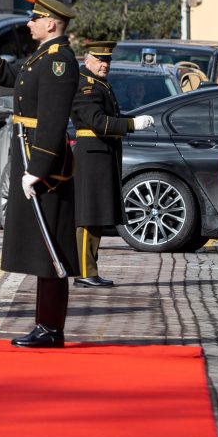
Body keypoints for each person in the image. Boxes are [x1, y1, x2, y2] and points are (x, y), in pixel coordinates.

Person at [0, 0, 79, 348]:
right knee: (40, 248)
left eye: (35, 19)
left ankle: (50, 329)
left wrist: (40, 168)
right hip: (29, 156)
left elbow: (53, 120)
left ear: (51, 24)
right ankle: (46, 326)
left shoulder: (59, 61)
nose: (29, 23)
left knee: (50, 249)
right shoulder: (43, 57)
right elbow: (10, 76)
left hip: (42, 165)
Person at [70, 41, 154, 288]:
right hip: (91, 156)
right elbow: (97, 122)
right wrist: (131, 125)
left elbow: (111, 119)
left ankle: (90, 270)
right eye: (100, 60)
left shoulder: (99, 84)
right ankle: (84, 271)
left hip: (102, 154)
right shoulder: (85, 86)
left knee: (95, 215)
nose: (105, 65)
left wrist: (134, 120)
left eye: (107, 61)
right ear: (87, 61)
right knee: (87, 215)